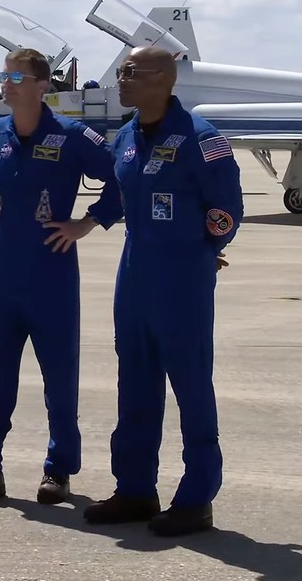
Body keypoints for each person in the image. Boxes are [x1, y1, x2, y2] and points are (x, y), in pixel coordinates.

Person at [0, 48, 125, 506]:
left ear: (43, 86)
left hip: (52, 273)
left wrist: (88, 222)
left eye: (17, 77)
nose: (7, 84)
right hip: (2, 275)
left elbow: (122, 175)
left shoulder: (71, 135)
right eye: (5, 76)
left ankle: (58, 471)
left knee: (59, 377)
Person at [82, 46, 243, 536]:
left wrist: (202, 251)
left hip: (181, 279)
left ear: (163, 79)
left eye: (130, 72)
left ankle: (196, 499)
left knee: (191, 386)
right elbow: (117, 195)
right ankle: (135, 489)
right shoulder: (125, 137)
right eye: (121, 71)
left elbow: (226, 210)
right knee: (134, 383)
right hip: (134, 275)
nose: (120, 79)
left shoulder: (202, 139)